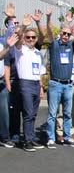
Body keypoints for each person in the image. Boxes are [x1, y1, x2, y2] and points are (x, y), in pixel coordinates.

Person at [45, 9, 74, 149]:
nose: (66, 36)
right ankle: (51, 138)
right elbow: (50, 33)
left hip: (68, 85)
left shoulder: (71, 45)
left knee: (68, 113)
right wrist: (48, 18)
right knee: (52, 113)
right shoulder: (54, 45)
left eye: (68, 34)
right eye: (64, 33)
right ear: (60, 34)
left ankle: (67, 136)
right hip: (55, 84)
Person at [14, 21, 46, 152]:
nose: (31, 39)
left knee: (33, 114)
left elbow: (40, 72)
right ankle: (27, 141)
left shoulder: (38, 53)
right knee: (27, 113)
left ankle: (32, 138)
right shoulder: (20, 49)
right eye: (28, 37)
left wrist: (41, 87)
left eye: (33, 37)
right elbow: (18, 36)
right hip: (25, 83)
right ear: (24, 38)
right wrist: (24, 26)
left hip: (35, 84)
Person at [0, 33, 19, 148]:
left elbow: (3, 59)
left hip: (1, 82)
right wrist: (7, 47)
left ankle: (4, 137)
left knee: (4, 112)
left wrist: (7, 46)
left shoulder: (1, 44)